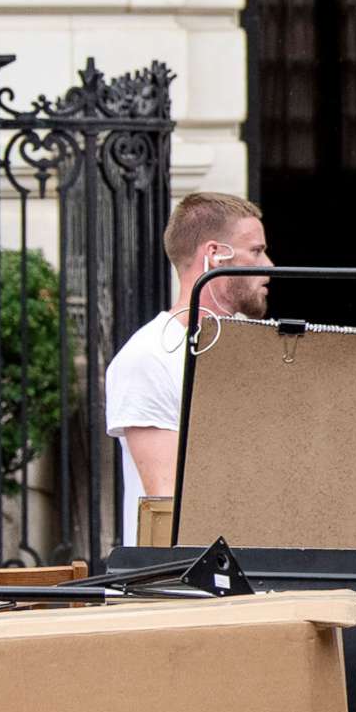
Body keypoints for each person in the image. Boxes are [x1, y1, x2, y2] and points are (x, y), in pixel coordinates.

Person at [103, 192, 271, 547]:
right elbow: (167, 500)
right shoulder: (149, 356)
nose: (268, 265)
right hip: (184, 584)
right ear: (215, 255)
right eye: (256, 251)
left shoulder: (254, 350)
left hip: (258, 566)